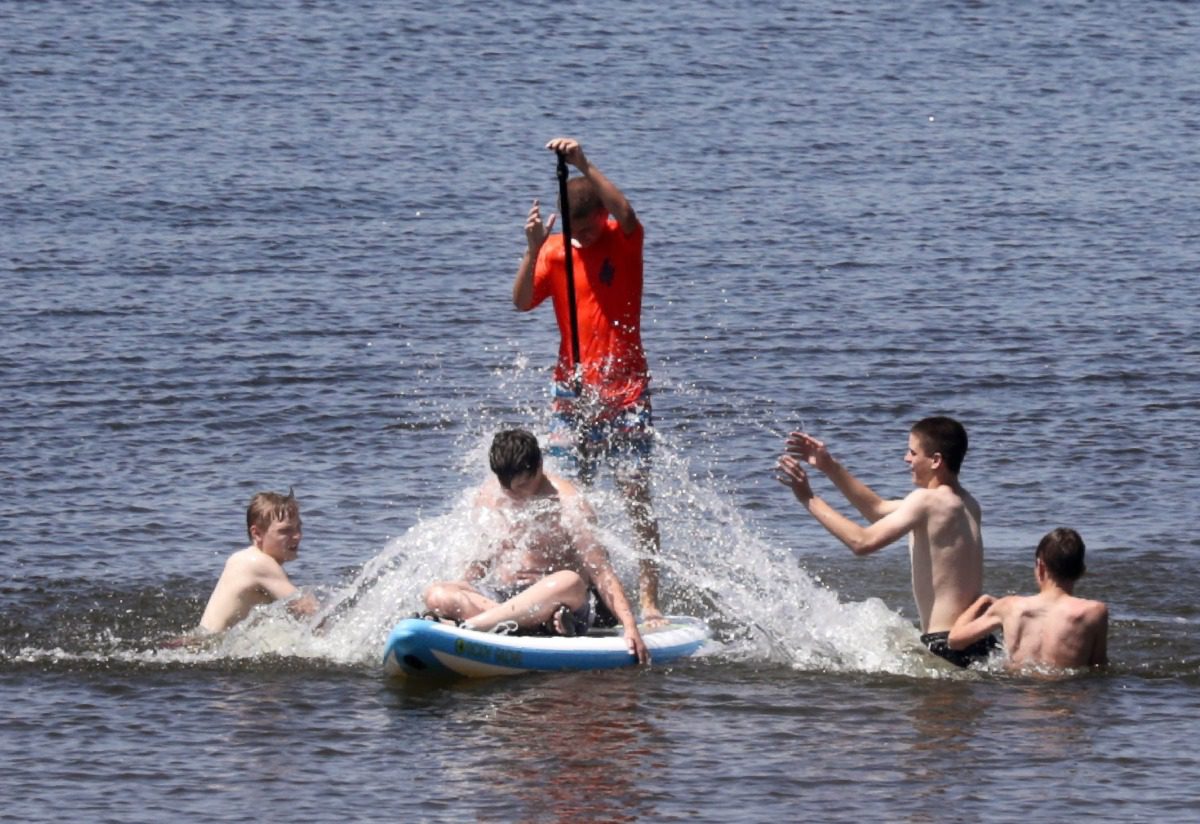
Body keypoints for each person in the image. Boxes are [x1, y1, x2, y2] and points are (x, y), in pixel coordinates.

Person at [512, 136, 663, 625]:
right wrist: (532, 250)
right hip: (571, 393)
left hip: (627, 390)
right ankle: (580, 596)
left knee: (635, 493)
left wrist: (583, 163)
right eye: (572, 232)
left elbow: (629, 210)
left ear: (602, 216)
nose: (581, 238)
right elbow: (519, 302)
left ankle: (648, 601)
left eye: (587, 228)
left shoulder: (623, 235)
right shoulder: (556, 252)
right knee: (569, 503)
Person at [776, 416, 991, 668]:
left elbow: (861, 542)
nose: (906, 459)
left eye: (912, 452)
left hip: (945, 645)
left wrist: (808, 498)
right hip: (977, 639)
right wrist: (829, 466)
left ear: (935, 460)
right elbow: (877, 510)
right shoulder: (966, 503)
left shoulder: (926, 501)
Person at [423, 429, 649, 664]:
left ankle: (471, 626)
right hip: (508, 600)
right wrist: (461, 590)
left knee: (569, 581)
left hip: (556, 602)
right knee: (438, 594)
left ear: (539, 466)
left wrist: (630, 626)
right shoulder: (490, 496)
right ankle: (531, 627)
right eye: (507, 487)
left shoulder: (568, 502)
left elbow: (601, 572)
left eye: (521, 486)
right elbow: (480, 562)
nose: (514, 494)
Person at [948, 527, 1108, 669]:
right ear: (1081, 570)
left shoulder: (1009, 607)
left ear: (1040, 567)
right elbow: (1098, 666)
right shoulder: (1094, 612)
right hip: (1068, 697)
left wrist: (983, 601)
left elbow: (955, 640)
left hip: (1017, 697)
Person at [198, 490, 318, 633]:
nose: (297, 536)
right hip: (205, 648)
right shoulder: (259, 563)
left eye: (298, 527)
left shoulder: (244, 558)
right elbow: (310, 611)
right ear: (257, 533)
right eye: (285, 530)